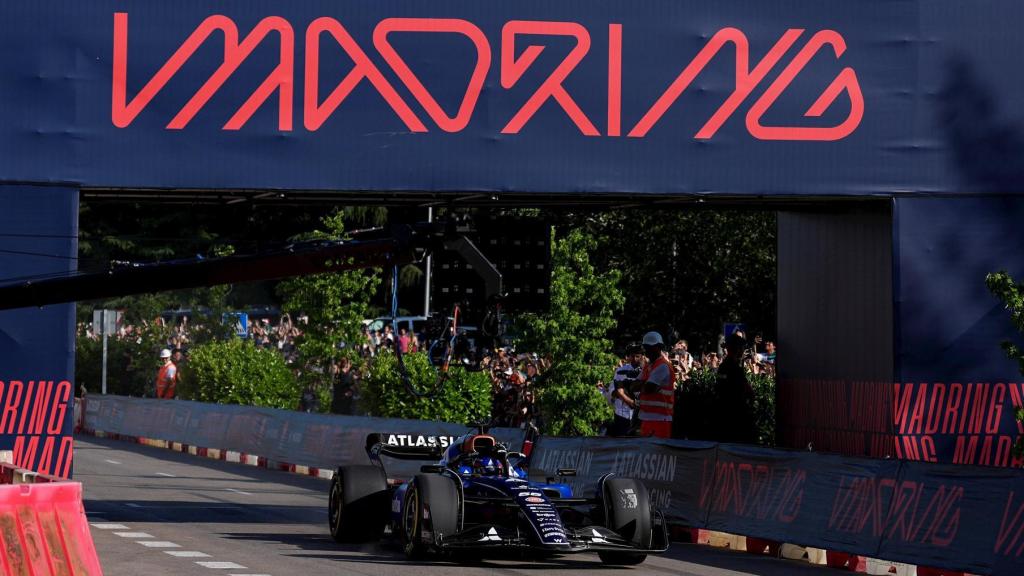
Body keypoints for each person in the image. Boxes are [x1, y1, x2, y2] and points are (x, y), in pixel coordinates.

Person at [716, 332, 757, 444]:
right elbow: (749, 392)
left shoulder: (722, 367)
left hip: (724, 416)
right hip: (736, 417)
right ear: (738, 349)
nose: (743, 350)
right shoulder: (734, 368)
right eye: (742, 347)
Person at [633, 331, 675, 438]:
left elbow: (648, 388)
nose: (647, 350)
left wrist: (641, 385)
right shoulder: (649, 366)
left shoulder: (663, 366)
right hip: (646, 417)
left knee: (657, 452)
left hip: (660, 418)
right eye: (646, 347)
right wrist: (642, 385)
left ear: (659, 347)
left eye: (650, 347)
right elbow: (634, 386)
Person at [607, 343, 643, 436]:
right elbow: (613, 391)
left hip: (639, 416)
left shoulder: (646, 370)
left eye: (637, 356)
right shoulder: (620, 370)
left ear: (642, 356)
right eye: (632, 356)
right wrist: (626, 398)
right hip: (622, 414)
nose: (635, 359)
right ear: (629, 356)